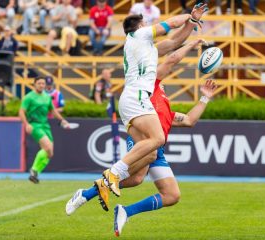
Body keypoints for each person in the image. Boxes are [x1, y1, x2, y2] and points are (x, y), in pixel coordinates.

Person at [66, 39, 216, 237]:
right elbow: (171, 59)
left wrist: (204, 97)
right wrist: (191, 45)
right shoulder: (150, 84)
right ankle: (87, 194)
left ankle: (123, 210)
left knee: (171, 195)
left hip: (156, 147)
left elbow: (189, 120)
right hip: (144, 140)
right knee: (148, 159)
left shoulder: (167, 109)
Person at [100, 4, 207, 199]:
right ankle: (113, 173)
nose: (149, 25)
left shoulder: (146, 48)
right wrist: (189, 15)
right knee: (158, 139)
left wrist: (192, 23)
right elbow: (172, 23)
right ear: (139, 26)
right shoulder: (139, 36)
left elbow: (174, 43)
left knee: (148, 154)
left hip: (133, 98)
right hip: (137, 96)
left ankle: (100, 185)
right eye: (145, 22)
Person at [19, 77, 69, 183]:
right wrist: (26, 124)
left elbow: (53, 111)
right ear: (34, 84)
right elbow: (21, 112)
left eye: (43, 83)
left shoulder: (47, 97)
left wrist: (62, 120)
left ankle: (35, 173)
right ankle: (33, 170)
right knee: (47, 147)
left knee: (50, 153)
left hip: (45, 125)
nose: (41, 85)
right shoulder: (29, 97)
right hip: (34, 125)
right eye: (39, 83)